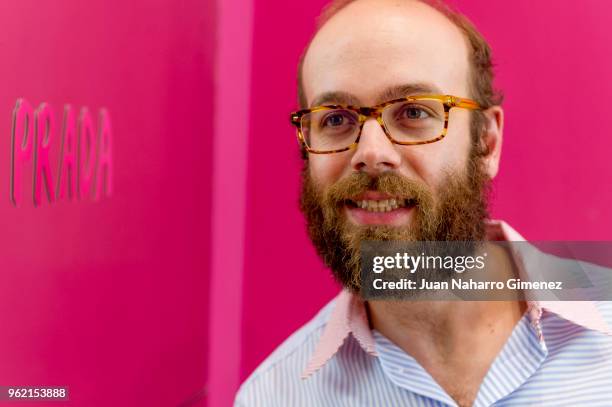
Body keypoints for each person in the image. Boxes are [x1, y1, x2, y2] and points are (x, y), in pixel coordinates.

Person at [234, 0, 612, 405]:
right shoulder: (274, 396)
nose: (371, 152)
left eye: (413, 111)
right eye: (336, 120)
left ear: (487, 143)